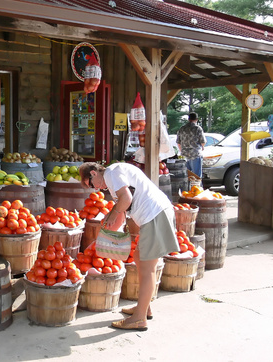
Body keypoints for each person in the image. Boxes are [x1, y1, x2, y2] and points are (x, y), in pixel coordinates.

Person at [79, 162, 179, 331]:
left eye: (91, 185)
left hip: (155, 215)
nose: (96, 189)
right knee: (140, 259)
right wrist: (107, 228)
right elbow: (122, 210)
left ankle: (139, 319)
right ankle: (144, 308)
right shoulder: (113, 180)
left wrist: (114, 214)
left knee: (148, 268)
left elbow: (126, 199)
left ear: (94, 173)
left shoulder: (111, 172)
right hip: (153, 216)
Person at [176, 112, 206, 177]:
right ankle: (196, 187)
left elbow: (178, 142)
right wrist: (202, 147)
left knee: (186, 176)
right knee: (196, 176)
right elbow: (203, 141)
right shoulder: (198, 128)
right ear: (196, 119)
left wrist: (182, 151)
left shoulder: (182, 128)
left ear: (188, 119)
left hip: (184, 156)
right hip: (195, 155)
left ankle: (187, 187)